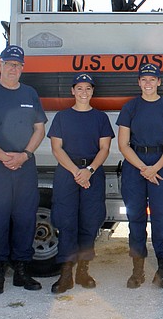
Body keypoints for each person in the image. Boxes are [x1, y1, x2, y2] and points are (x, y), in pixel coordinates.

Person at [0, 45, 47, 295]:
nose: (14, 68)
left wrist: (25, 155)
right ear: (0, 65)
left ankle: (22, 270)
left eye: (18, 65)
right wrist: (2, 155)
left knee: (25, 218)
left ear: (23, 68)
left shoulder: (29, 93)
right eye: (9, 64)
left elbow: (39, 129)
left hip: (24, 166)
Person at [47, 73, 114, 294]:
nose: (84, 92)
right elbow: (57, 148)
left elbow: (104, 148)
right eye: (80, 88)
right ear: (72, 91)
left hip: (92, 172)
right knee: (66, 223)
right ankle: (65, 275)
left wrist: (89, 171)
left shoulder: (100, 118)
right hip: (68, 172)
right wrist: (77, 172)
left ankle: (83, 271)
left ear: (92, 91)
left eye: (88, 88)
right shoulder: (62, 117)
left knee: (89, 222)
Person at [116, 63, 163, 289]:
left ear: (159, 82)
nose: (148, 83)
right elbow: (123, 144)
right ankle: (138, 270)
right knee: (135, 220)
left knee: (160, 219)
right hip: (135, 166)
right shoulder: (130, 107)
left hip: (160, 165)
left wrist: (154, 168)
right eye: (144, 79)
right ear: (139, 82)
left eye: (152, 79)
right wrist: (144, 169)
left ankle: (162, 268)